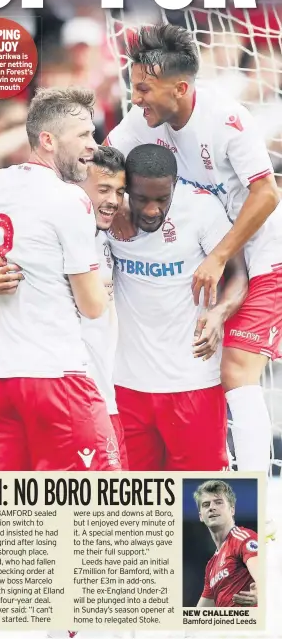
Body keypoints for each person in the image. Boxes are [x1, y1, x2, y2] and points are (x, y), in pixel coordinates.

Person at [107, 24, 282, 476]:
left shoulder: (226, 119)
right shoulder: (138, 122)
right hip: (209, 259)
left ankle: (255, 500)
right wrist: (116, 200)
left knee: (236, 371)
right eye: (132, 86)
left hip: (261, 258)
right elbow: (98, 166)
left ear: (180, 88)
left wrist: (221, 255)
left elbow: (266, 194)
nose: (136, 97)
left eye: (144, 88)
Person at [0, 86, 121, 472]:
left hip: (0, 379)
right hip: (57, 377)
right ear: (47, 140)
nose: (93, 146)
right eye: (83, 135)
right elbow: (93, 306)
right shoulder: (71, 200)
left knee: (10, 516)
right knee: (94, 509)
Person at [108, 144, 248, 471]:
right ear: (127, 188)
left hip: (194, 383)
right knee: (137, 507)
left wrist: (218, 313)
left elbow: (239, 275)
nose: (153, 210)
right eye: (142, 199)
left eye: (163, 199)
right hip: (126, 385)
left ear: (174, 186)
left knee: (196, 504)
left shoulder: (201, 209)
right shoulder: (109, 213)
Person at [80, 145, 128, 468]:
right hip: (82, 395)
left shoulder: (106, 238)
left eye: (119, 191)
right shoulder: (68, 237)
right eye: (104, 189)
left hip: (108, 396)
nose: (112, 199)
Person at [195, 480, 258, 607]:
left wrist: (262, 592)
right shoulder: (211, 566)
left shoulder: (242, 539)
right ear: (201, 516)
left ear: (232, 509)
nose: (212, 507)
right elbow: (198, 616)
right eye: (206, 504)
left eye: (219, 503)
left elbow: (264, 574)